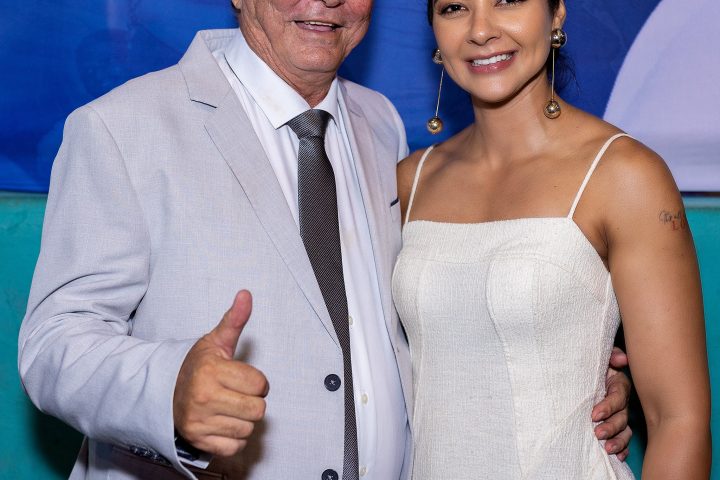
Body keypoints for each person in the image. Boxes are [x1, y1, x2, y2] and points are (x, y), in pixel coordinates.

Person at [19, 0, 632, 479]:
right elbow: (54, 343)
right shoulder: (122, 127)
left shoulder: (380, 124)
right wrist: (168, 390)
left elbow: (409, 320)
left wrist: (562, 369)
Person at [393, 0, 711, 478]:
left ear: (556, 13)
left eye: (507, 1)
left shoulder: (625, 174)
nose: (480, 30)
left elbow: (678, 419)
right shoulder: (409, 181)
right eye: (455, 7)